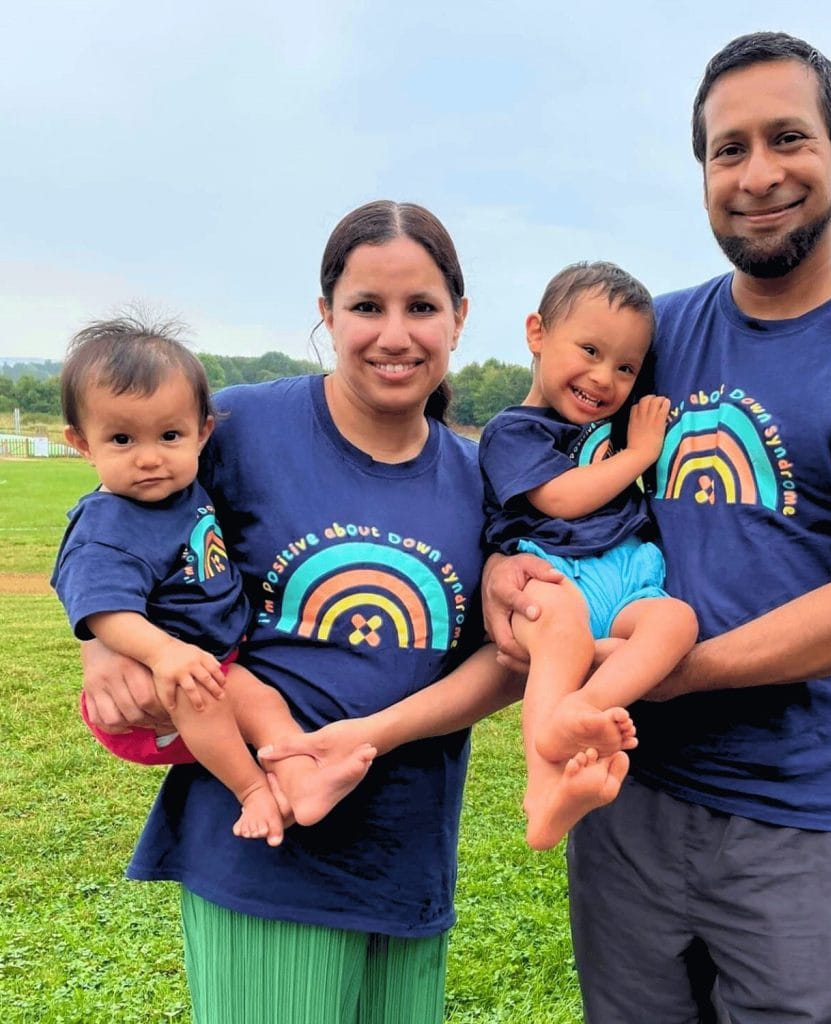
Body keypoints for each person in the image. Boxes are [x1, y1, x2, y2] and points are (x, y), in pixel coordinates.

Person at [485, 31, 831, 1023]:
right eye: (728, 150)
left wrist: (687, 666)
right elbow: (528, 469)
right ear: (703, 173)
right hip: (625, 791)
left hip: (801, 821)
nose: (757, 174)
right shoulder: (652, 336)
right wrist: (503, 576)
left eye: (787, 139)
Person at [78, 200, 521, 1024]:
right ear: (325, 315)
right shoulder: (244, 426)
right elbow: (115, 521)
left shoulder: (484, 475)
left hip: (405, 857)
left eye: (422, 307)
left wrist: (369, 737)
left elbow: (508, 659)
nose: (395, 334)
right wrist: (102, 648)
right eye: (365, 307)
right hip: (260, 856)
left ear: (460, 318)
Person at [53, 317, 356, 848]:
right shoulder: (106, 524)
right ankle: (252, 791)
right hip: (150, 690)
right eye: (122, 439)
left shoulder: (184, 488)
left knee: (261, 703)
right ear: (81, 442)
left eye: (169, 435)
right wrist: (165, 654)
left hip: (213, 661)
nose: (150, 457)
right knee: (206, 699)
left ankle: (300, 770)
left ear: (203, 432)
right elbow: (103, 611)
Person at [478, 261, 697, 850]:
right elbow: (560, 499)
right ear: (538, 333)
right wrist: (641, 453)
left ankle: (582, 707)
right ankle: (544, 788)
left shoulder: (607, 424)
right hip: (553, 574)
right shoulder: (513, 431)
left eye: (625, 367)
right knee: (566, 639)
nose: (604, 378)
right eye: (590, 350)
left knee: (677, 622)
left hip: (627, 573)